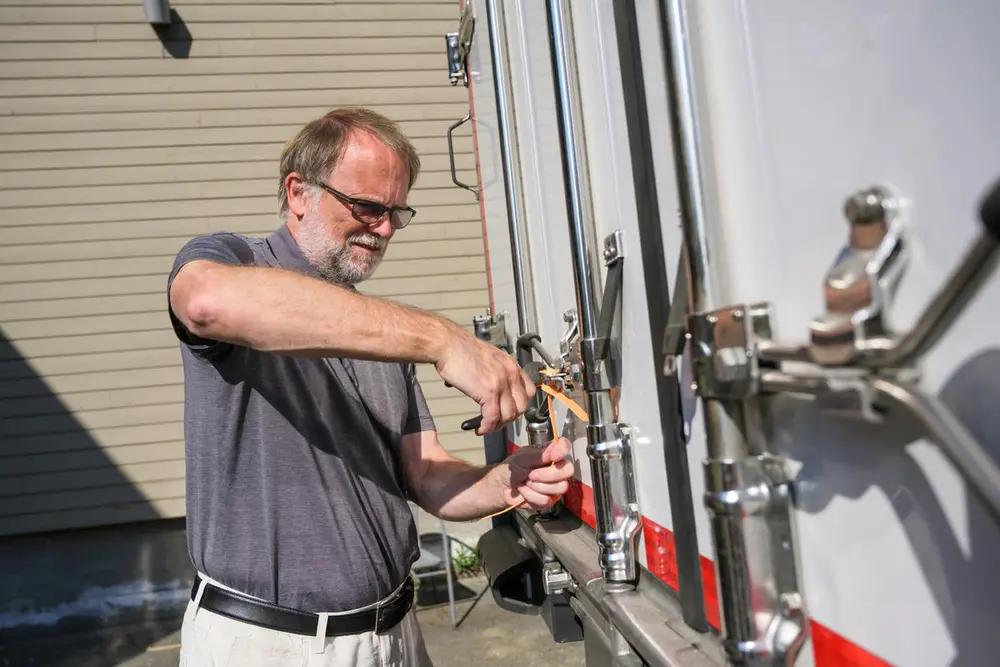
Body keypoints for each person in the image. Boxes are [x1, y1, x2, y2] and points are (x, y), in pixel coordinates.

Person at [165, 107, 575, 666]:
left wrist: (504, 480)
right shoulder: (231, 258)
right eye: (366, 207)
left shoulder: (382, 332)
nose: (382, 228)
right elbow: (206, 303)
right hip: (271, 645)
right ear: (299, 192)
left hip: (394, 636)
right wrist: (441, 339)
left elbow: (427, 474)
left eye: (394, 213)